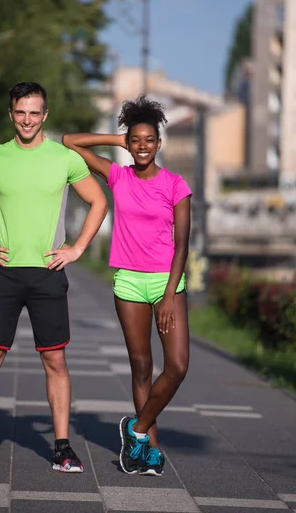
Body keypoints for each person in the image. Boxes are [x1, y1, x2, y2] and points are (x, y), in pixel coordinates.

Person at [0, 81, 107, 473]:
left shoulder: (65, 159)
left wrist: (77, 248)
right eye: (21, 112)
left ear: (45, 116)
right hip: (3, 271)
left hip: (48, 273)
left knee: (55, 361)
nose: (27, 119)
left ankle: (62, 447)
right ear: (11, 114)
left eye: (35, 112)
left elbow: (98, 201)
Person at [63, 95, 192, 477]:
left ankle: (134, 429)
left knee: (178, 366)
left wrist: (169, 294)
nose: (141, 146)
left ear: (159, 143)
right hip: (129, 282)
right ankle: (147, 451)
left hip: (167, 282)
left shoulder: (175, 185)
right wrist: (117, 141)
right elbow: (70, 140)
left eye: (148, 140)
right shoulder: (118, 176)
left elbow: (183, 244)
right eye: (135, 140)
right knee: (141, 367)